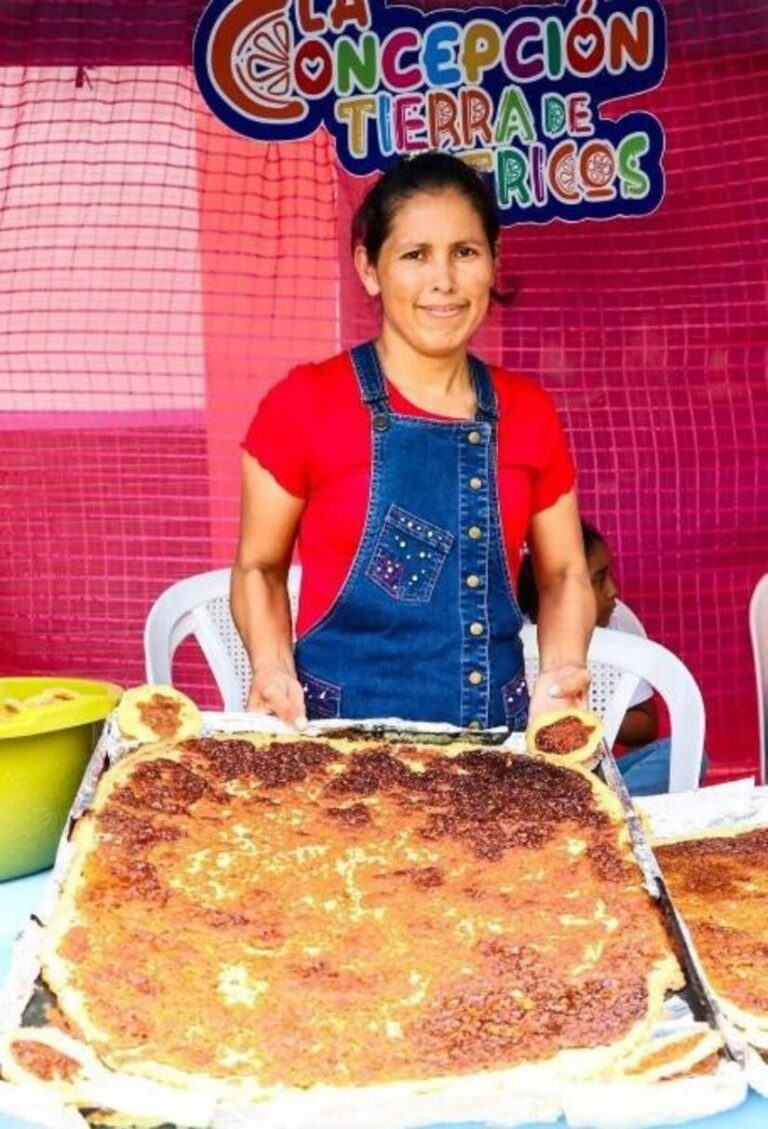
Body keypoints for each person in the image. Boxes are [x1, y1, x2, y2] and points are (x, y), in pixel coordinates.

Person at [231, 152, 595, 731]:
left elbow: (563, 575)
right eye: (415, 255)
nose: (443, 282)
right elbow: (259, 568)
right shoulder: (303, 404)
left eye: (465, 252)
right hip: (337, 739)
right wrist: (273, 669)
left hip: (493, 741)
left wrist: (563, 670)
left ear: (494, 263)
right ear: (370, 267)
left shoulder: (528, 413)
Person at [517, 519, 676, 794]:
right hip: (524, 781)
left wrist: (581, 723)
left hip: (600, 777)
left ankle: (599, 806)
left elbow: (647, 725)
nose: (613, 590)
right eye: (600, 579)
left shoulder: (617, 628)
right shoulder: (510, 634)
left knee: (678, 755)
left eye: (609, 575)